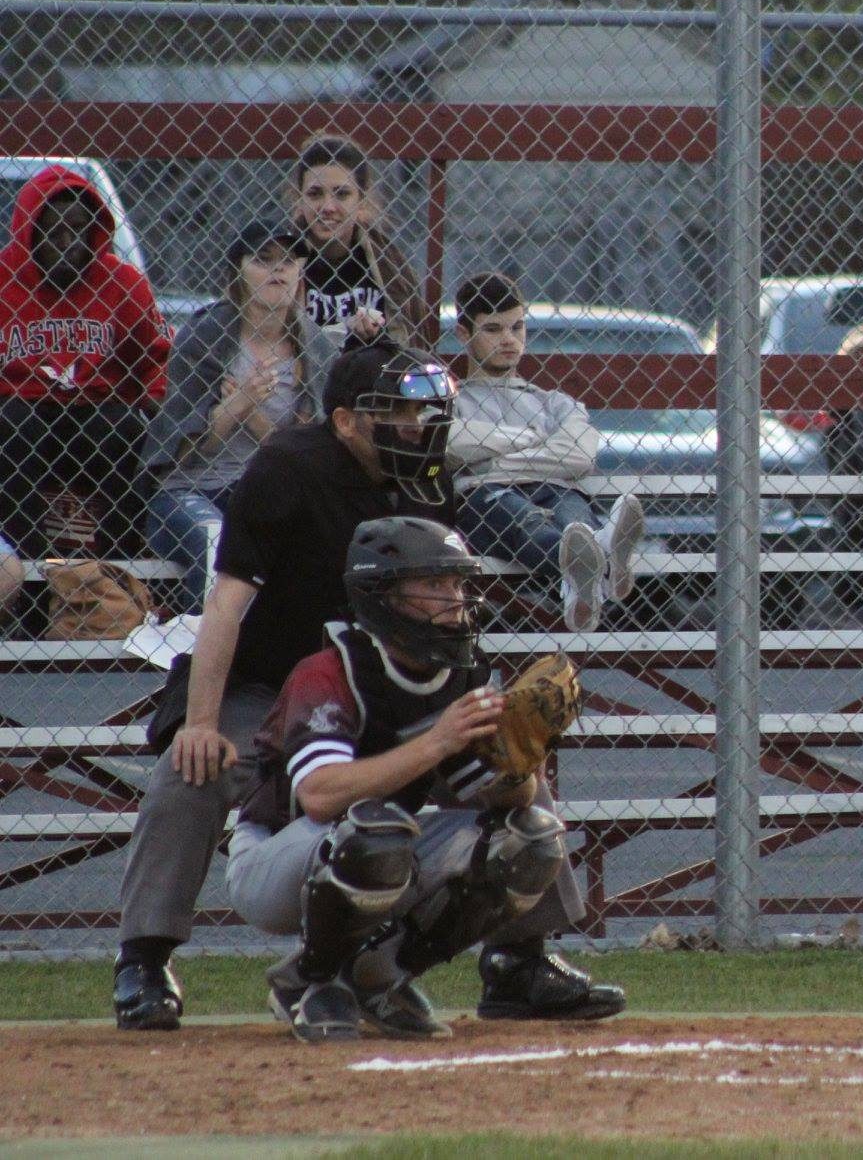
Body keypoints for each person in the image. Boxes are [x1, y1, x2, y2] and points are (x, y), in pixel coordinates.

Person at [112, 338, 623, 1030]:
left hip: (375, 676)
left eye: (426, 411)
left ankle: (518, 960)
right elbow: (227, 601)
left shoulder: (427, 474)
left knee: (502, 755)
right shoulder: (287, 466)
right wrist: (202, 721)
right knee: (191, 770)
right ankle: (144, 958)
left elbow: (434, 601)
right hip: (265, 677)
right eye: (400, 413)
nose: (420, 427)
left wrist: (483, 724)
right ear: (347, 419)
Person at [227, 516, 583, 1042]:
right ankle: (311, 981)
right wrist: (437, 741)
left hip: (380, 840)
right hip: (277, 854)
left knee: (531, 839)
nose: (455, 599)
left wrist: (515, 762)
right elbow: (320, 795)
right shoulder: (330, 670)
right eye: (435, 585)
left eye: (459, 585)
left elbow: (506, 799)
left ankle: (380, 977)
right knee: (376, 832)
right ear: (384, 595)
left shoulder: (459, 670)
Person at [142, 219, 336, 612]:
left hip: (265, 487)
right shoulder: (206, 338)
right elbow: (181, 450)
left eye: (288, 260)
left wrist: (246, 410)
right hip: (192, 487)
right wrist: (236, 405)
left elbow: (304, 459)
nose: (277, 269)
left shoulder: (314, 345)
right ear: (238, 270)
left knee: (322, 536)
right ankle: (197, 661)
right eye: (262, 260)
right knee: (215, 537)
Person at [446, 271, 645, 632]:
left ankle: (586, 571)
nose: (508, 339)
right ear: (464, 334)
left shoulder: (553, 402)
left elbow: (580, 455)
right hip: (485, 497)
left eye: (516, 327)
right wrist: (534, 438)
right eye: (493, 329)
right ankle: (606, 561)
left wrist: (492, 457)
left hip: (554, 488)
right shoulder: (452, 400)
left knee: (575, 524)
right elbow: (448, 442)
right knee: (531, 524)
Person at [0, 164, 171, 559]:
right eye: (55, 232)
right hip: (22, 410)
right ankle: (30, 569)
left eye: (78, 230)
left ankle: (112, 566)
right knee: (13, 426)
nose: (68, 243)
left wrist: (155, 396)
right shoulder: (5, 280)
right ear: (31, 231)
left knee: (121, 427)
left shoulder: (123, 282)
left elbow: (155, 358)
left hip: (95, 409)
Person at [289, 134, 434, 348]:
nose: (327, 207)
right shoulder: (283, 263)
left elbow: (412, 349)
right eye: (315, 194)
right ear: (299, 200)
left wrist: (377, 336)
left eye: (342, 194)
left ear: (362, 202)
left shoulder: (390, 267)